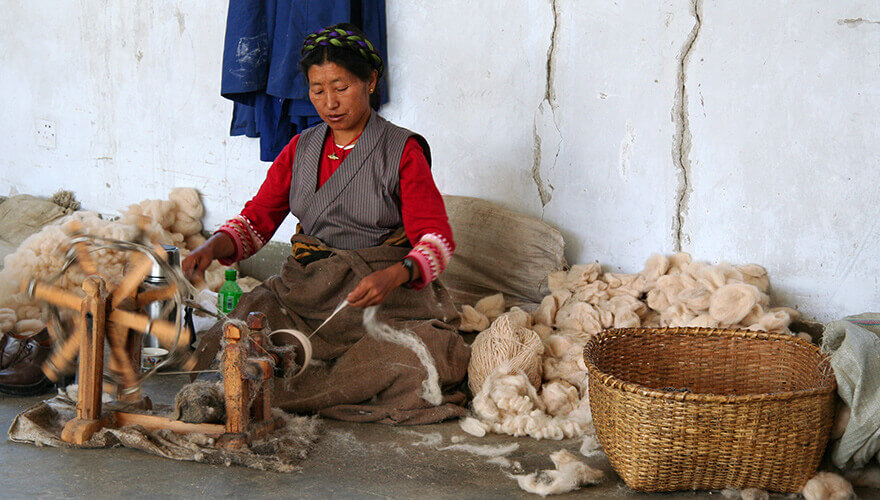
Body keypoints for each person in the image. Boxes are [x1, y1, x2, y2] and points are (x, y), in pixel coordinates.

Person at [183, 24, 470, 425]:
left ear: (370, 81)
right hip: (304, 293)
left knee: (413, 361)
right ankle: (299, 388)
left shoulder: (401, 150)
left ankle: (285, 391)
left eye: (341, 87)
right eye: (317, 90)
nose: (329, 102)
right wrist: (213, 246)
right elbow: (256, 220)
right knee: (225, 342)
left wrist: (395, 273)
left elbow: (436, 239)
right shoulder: (300, 149)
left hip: (379, 304)